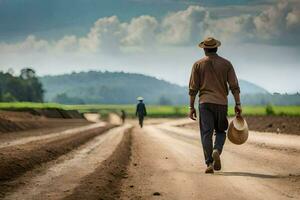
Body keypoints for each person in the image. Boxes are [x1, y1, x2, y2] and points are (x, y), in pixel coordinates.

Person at [188, 37, 242, 174]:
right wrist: (238, 103)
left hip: (204, 103)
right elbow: (234, 86)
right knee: (220, 131)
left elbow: (193, 88)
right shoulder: (226, 64)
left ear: (204, 49)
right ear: (216, 48)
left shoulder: (198, 65)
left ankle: (209, 164)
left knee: (206, 133)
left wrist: (191, 107)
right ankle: (217, 149)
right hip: (221, 103)